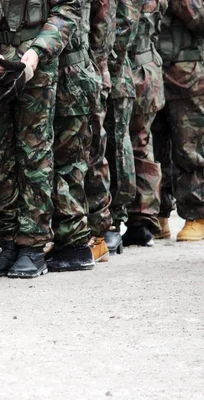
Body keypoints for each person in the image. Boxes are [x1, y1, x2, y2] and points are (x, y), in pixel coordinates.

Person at [0, 0, 81, 278]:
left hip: (35, 66)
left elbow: (66, 11)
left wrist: (37, 51)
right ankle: (7, 240)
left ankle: (32, 244)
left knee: (34, 154)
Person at [47, 0, 100, 271]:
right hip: (71, 74)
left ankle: (75, 245)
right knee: (66, 162)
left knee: (68, 163)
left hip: (71, 76)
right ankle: (70, 241)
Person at [152, 0, 204, 242]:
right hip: (152, 70)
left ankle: (197, 215)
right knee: (154, 146)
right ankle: (158, 215)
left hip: (187, 73)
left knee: (189, 146)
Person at [122, 0, 167, 247]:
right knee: (141, 141)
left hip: (134, 67)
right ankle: (142, 218)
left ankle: (138, 220)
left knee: (125, 141)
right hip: (148, 64)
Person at [101, 0, 141, 254]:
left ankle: (116, 220)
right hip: (93, 71)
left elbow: (126, 24)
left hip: (114, 75)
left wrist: (105, 65)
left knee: (116, 149)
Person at [85, 0, 117, 262]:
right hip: (78, 70)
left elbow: (102, 29)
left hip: (89, 72)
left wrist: (93, 71)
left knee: (93, 149)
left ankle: (98, 234)